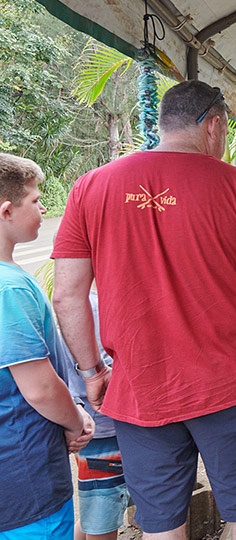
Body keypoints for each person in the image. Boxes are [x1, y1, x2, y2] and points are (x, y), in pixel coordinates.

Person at [51, 80, 236, 539]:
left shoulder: (90, 187)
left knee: (160, 523)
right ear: (213, 125)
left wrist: (93, 372)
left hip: (140, 387)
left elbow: (66, 296)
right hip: (229, 382)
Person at [0, 153, 95, 538]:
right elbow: (38, 388)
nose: (43, 208)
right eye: (36, 200)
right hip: (25, 479)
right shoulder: (9, 288)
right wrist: (77, 420)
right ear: (7, 211)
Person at [60, 290, 130, 540]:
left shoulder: (84, 302)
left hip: (99, 430)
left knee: (96, 514)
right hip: (104, 432)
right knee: (101, 519)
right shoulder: (95, 305)